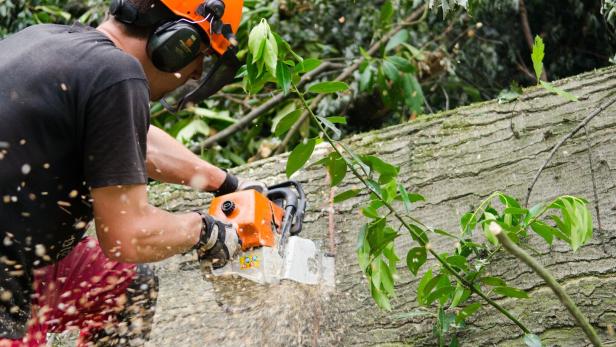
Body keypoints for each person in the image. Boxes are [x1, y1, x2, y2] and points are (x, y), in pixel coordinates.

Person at [0, 0, 255, 345]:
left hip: (21, 262)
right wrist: (204, 229)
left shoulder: (46, 41)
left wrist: (225, 183)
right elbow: (127, 235)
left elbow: (127, 137)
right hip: (7, 281)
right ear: (179, 42)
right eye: (201, 55)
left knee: (124, 284)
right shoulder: (118, 73)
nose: (196, 73)